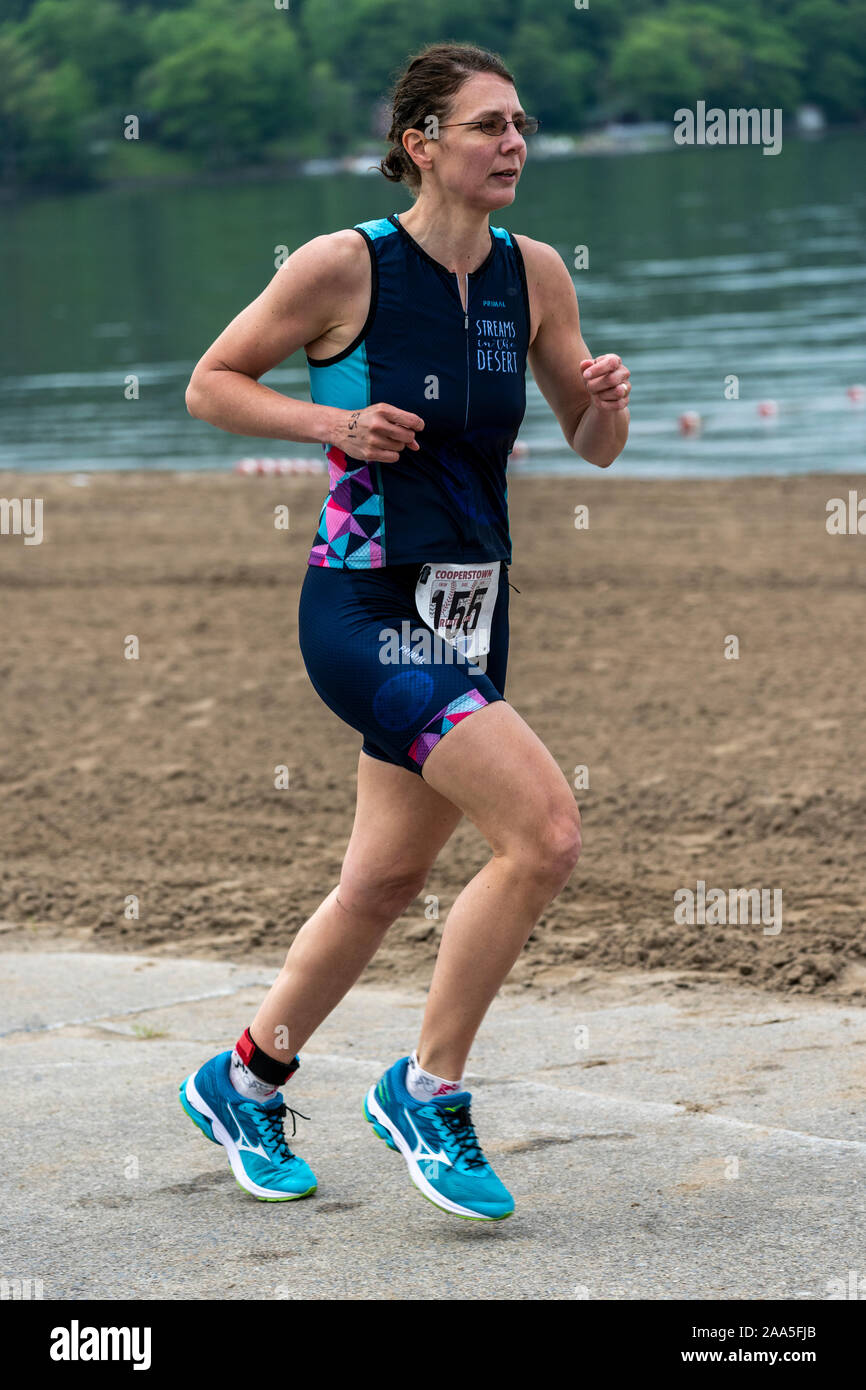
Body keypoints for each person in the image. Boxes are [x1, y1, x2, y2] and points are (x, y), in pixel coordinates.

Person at [180, 41, 630, 1222]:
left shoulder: (534, 274)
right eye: (487, 125)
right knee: (543, 834)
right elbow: (211, 383)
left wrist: (601, 404)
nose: (513, 143)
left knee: (381, 881)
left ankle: (246, 1077)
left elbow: (592, 446)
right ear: (420, 143)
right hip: (364, 601)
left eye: (521, 124)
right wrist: (325, 423)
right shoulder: (343, 264)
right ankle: (426, 1089)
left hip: (469, 608)